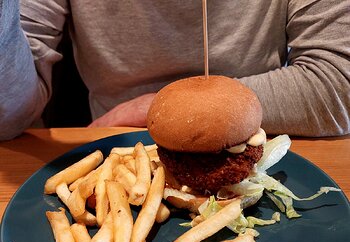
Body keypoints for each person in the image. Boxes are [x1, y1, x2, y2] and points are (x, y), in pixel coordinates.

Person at [0, 0, 349, 141]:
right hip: (117, 156)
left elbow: (339, 82)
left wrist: (156, 106)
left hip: (258, 144)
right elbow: (7, 117)